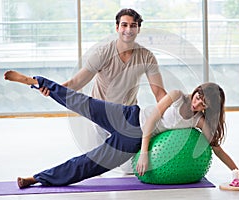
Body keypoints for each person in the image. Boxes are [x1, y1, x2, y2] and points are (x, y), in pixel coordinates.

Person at [4, 70, 239, 189]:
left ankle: (36, 178)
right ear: (196, 91)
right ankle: (36, 82)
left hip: (130, 141)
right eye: (199, 94)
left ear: (207, 108)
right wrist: (146, 152)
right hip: (130, 116)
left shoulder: (198, 121)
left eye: (203, 101)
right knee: (84, 103)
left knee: (86, 165)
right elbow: (151, 121)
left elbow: (216, 148)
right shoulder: (177, 95)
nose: (197, 101)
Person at [40, 8, 167, 173]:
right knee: (96, 169)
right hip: (101, 117)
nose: (128, 30)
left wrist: (173, 113)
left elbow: (159, 93)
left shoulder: (146, 56)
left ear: (138, 29)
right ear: (117, 27)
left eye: (133, 25)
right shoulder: (103, 52)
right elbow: (77, 81)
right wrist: (52, 90)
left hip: (126, 119)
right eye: (124, 25)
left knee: (129, 170)